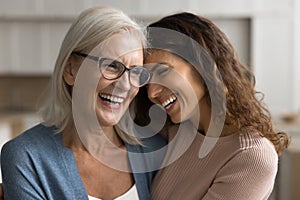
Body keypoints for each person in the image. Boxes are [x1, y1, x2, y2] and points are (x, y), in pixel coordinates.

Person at [0, 7, 165, 200]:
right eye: (111, 65)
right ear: (70, 70)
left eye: (135, 72)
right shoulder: (27, 157)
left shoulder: (156, 152)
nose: (124, 85)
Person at [134, 12, 290, 200]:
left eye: (163, 71)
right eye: (147, 79)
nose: (152, 93)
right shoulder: (174, 131)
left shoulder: (251, 156)